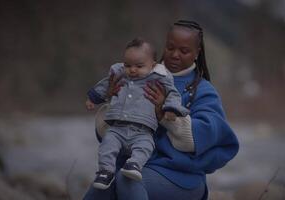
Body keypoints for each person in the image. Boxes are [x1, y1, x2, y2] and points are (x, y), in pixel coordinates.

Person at [83, 20, 239, 200]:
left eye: (184, 51)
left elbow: (209, 137)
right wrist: (113, 99)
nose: (175, 55)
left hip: (181, 176)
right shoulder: (136, 72)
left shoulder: (203, 91)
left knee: (126, 180)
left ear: (197, 53)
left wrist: (164, 113)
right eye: (170, 48)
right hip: (135, 165)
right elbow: (107, 134)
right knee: (102, 186)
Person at [86, 38, 189, 190]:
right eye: (128, 65)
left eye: (139, 66)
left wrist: (171, 109)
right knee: (107, 145)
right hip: (117, 127)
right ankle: (105, 171)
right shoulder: (120, 74)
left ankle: (134, 165)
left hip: (143, 129)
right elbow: (106, 84)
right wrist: (94, 98)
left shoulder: (159, 78)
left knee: (146, 146)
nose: (132, 70)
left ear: (152, 65)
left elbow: (173, 93)